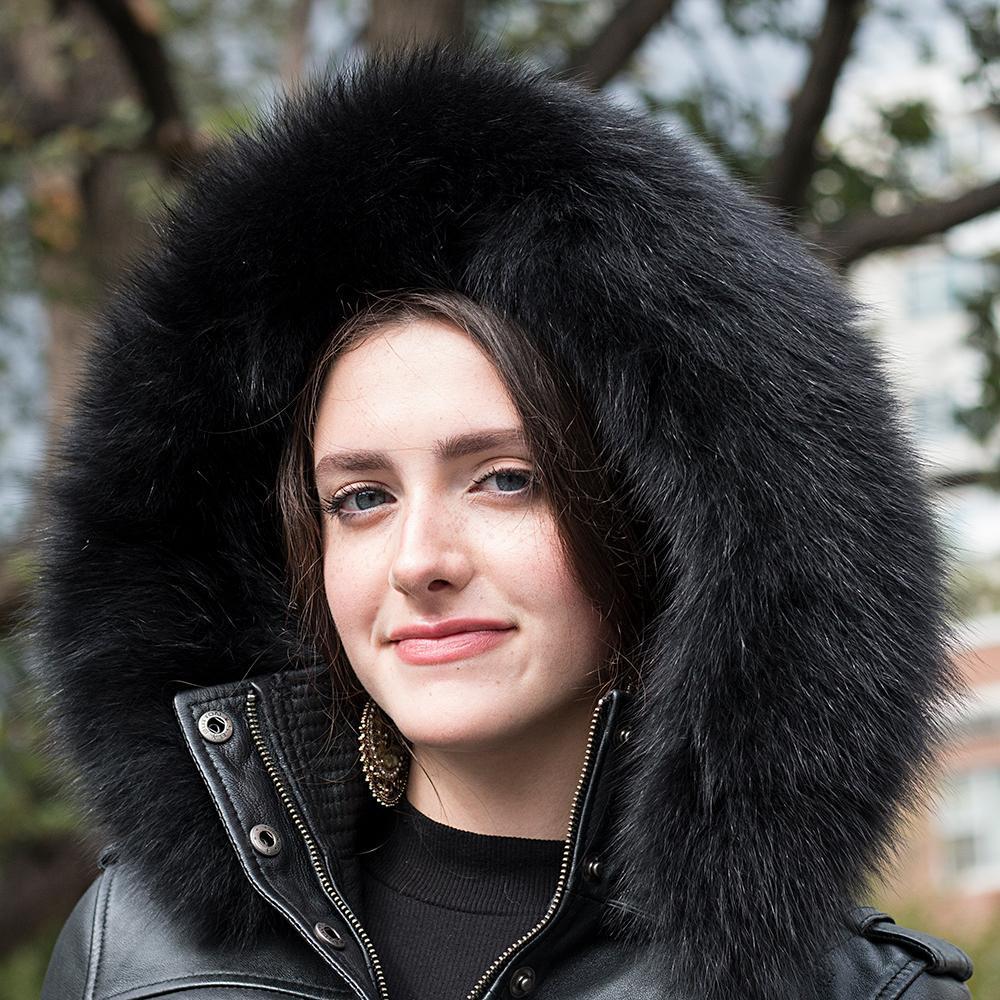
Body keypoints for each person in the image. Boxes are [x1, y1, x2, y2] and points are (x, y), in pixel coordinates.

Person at [27, 43, 975, 1000]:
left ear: (657, 523)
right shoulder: (128, 956)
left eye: (505, 481)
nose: (419, 562)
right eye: (362, 499)